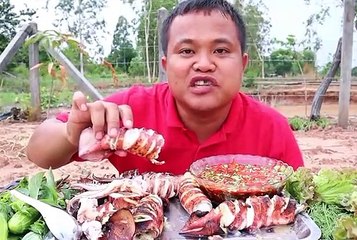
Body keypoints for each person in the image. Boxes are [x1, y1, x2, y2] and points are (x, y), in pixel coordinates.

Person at [26, 0, 304, 175]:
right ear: (165, 64)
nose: (204, 64)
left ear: (243, 63)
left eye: (220, 50)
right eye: (186, 51)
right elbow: (38, 153)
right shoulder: (129, 111)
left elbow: (297, 200)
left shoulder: (272, 129)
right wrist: (71, 133)